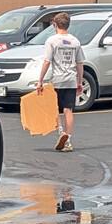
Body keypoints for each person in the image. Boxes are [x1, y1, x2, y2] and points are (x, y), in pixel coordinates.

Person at [36, 12, 85, 152]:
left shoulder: (52, 41)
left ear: (55, 25)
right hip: (70, 80)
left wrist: (40, 80)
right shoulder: (75, 41)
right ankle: (68, 140)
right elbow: (80, 63)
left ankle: (61, 132)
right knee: (68, 110)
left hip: (57, 80)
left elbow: (47, 61)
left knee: (54, 109)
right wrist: (80, 81)